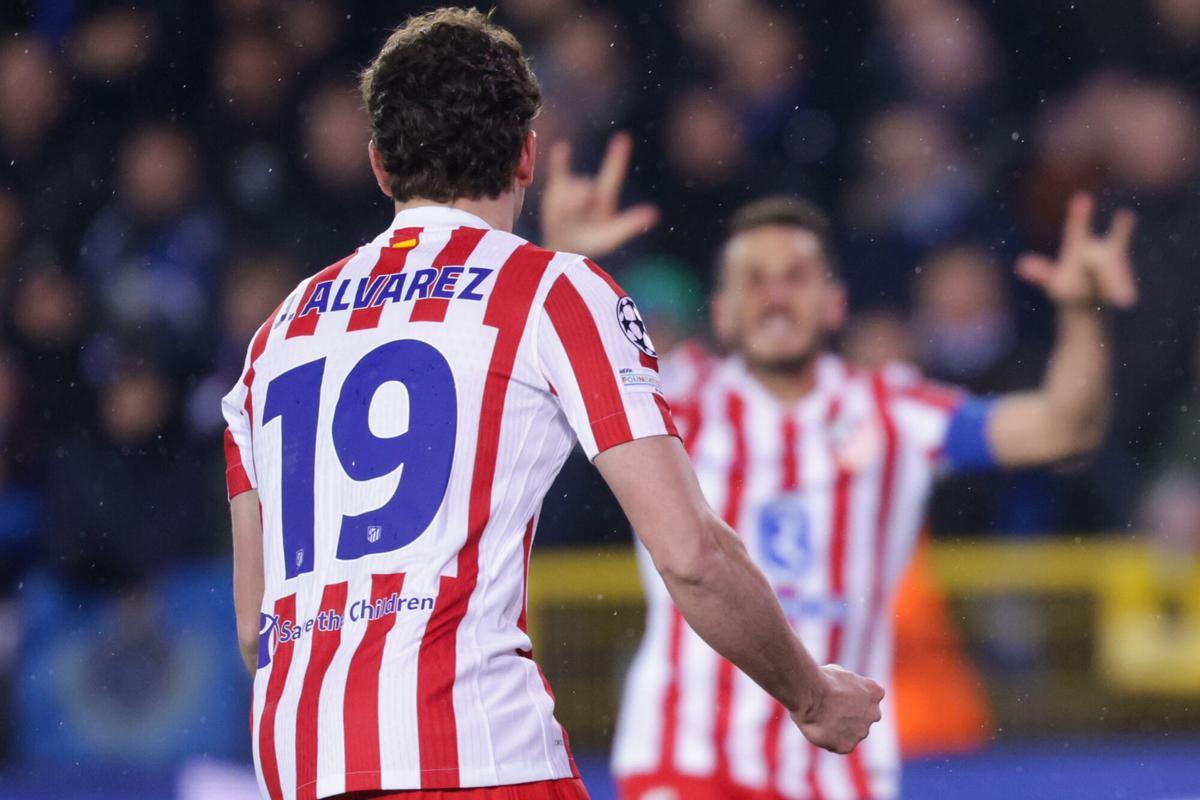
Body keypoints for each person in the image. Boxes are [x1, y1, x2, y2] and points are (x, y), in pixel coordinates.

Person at [221, 9, 882, 800]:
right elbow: (692, 556)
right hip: (474, 754)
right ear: (527, 153)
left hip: (300, 764)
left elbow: (257, 629)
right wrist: (811, 695)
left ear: (380, 167)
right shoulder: (553, 292)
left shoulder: (273, 338)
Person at [540, 166, 1136, 798]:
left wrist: (1080, 313)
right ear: (722, 310)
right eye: (755, 281)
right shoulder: (671, 399)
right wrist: (563, 262)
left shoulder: (895, 411)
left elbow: (1062, 428)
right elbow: (543, 382)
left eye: (795, 277)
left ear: (834, 303)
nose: (775, 297)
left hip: (838, 769)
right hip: (685, 761)